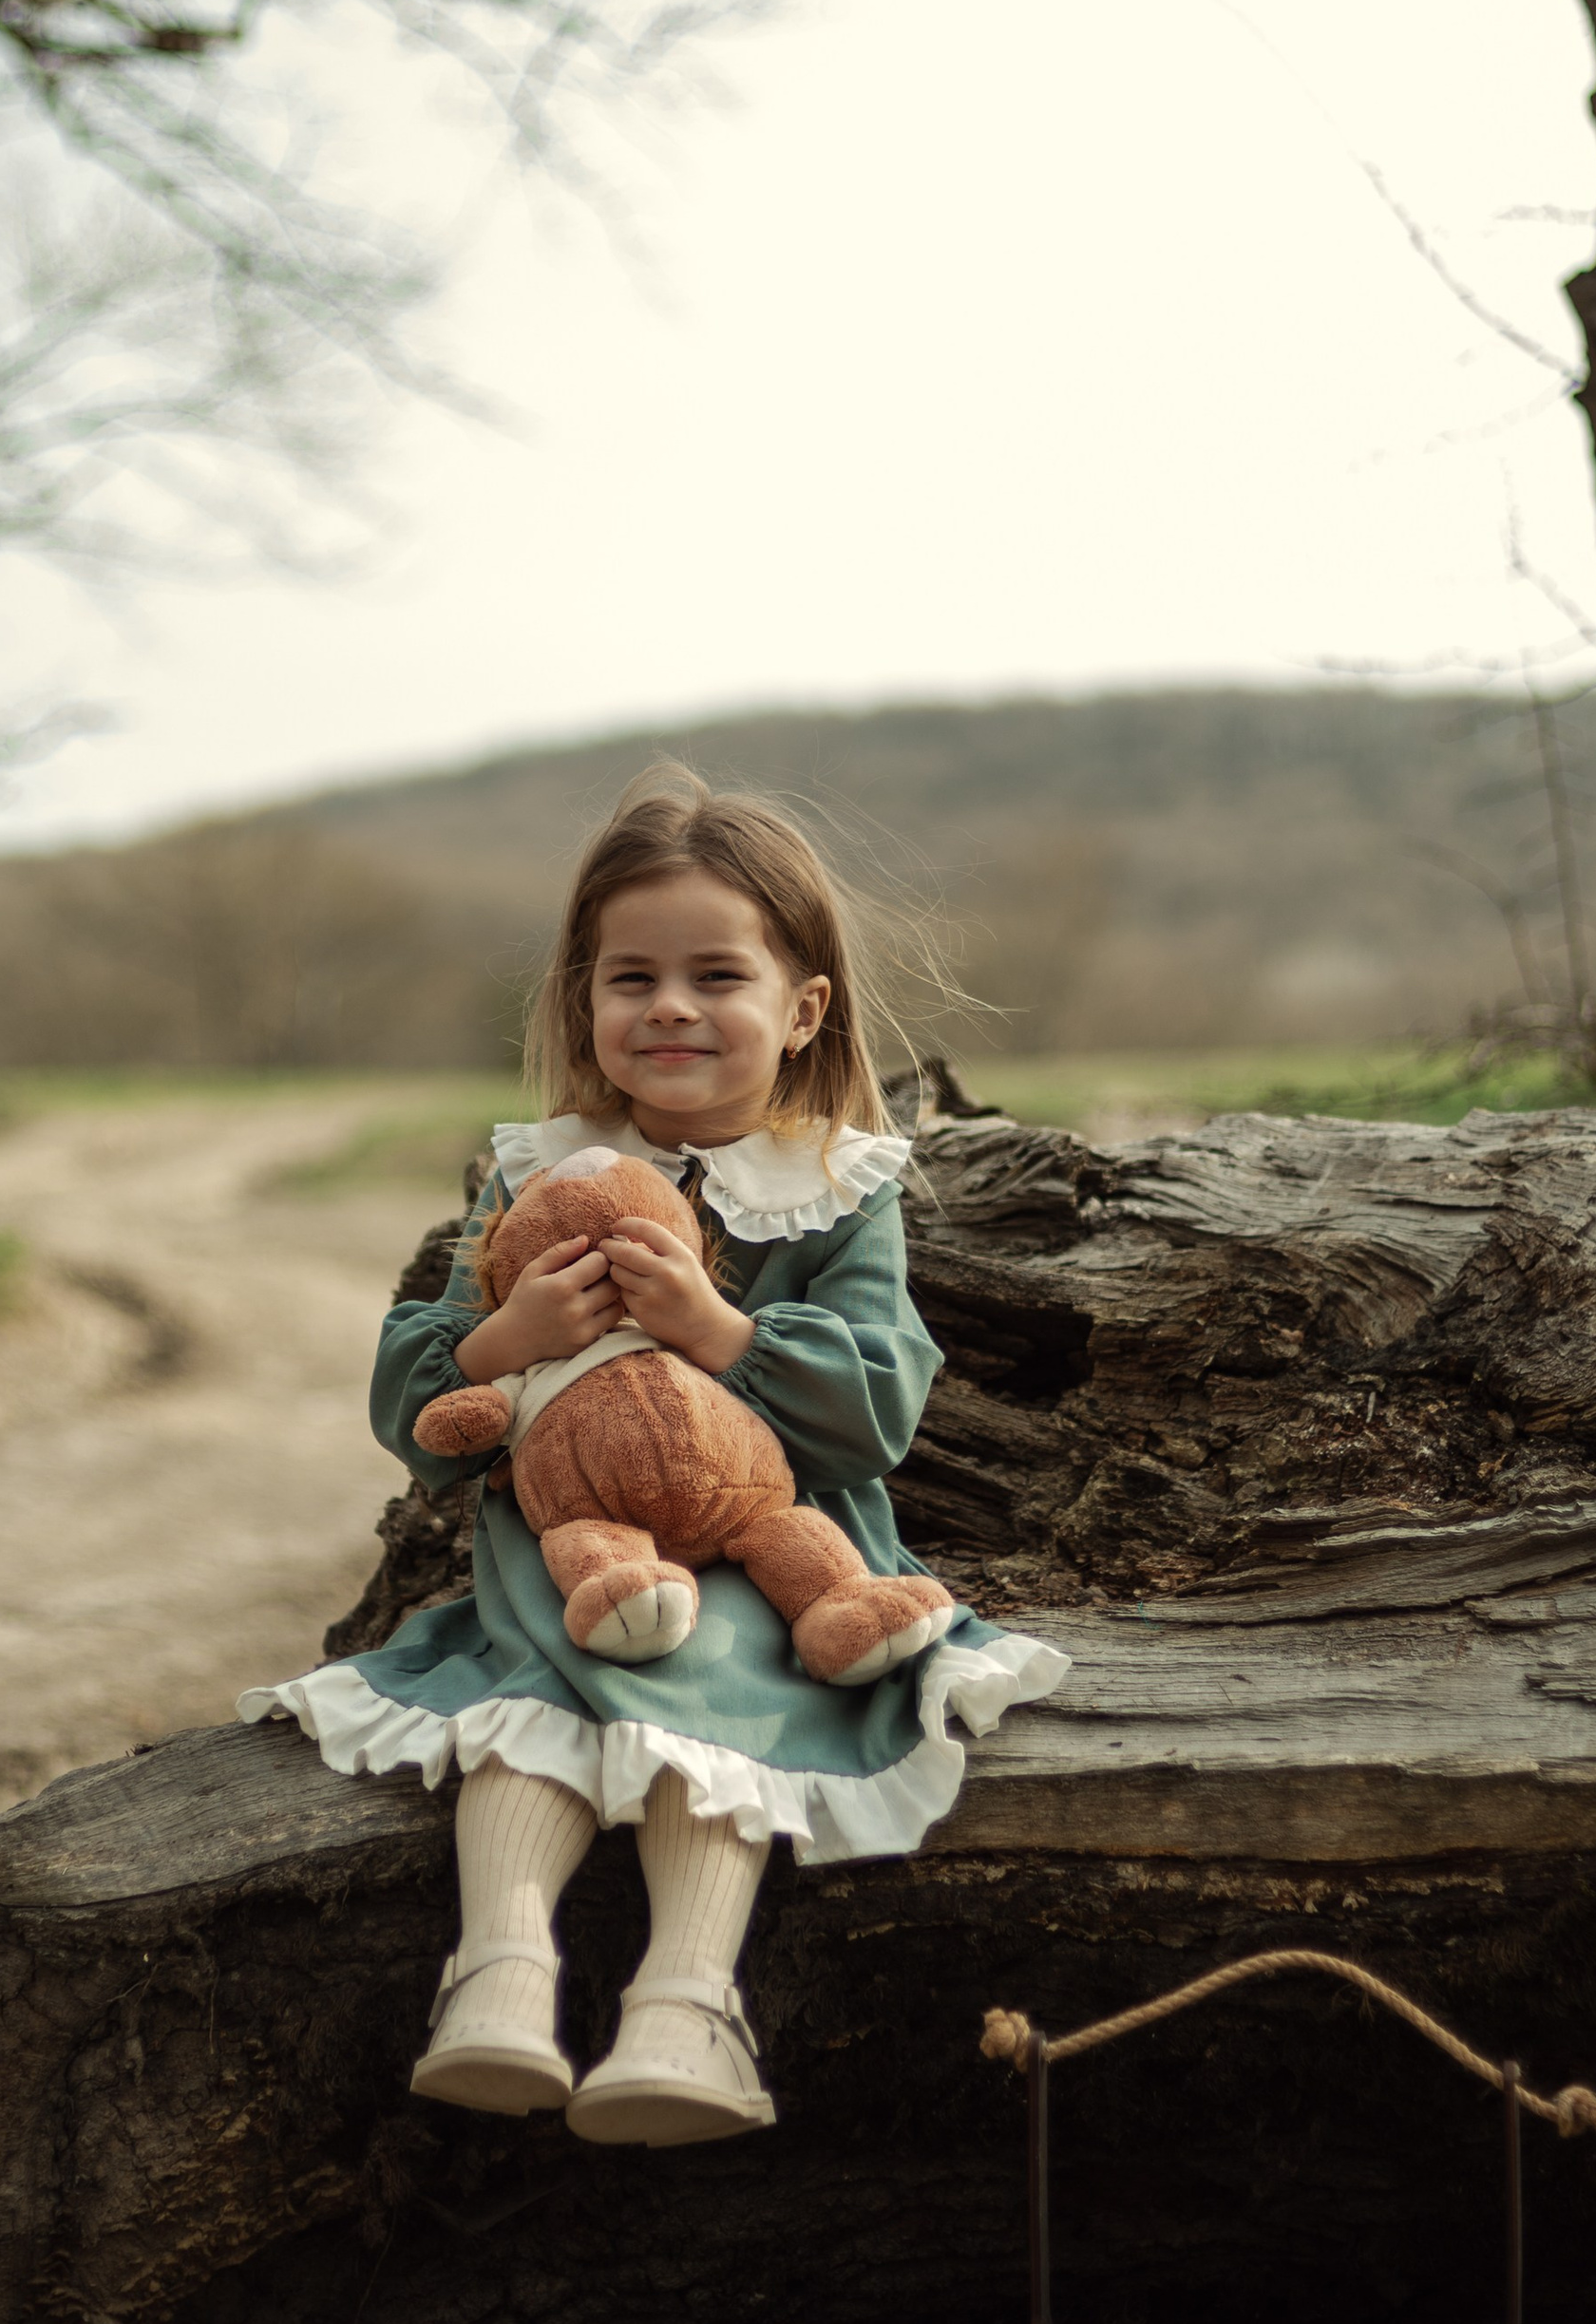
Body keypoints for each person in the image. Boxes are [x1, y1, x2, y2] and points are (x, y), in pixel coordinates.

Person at [239, 766, 1066, 2145]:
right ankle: (498, 1982)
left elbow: (880, 1408)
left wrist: (721, 1328)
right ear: (583, 1003)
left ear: (802, 1009)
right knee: (542, 1691)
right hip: (567, 1548)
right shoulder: (539, 1175)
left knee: (727, 1681)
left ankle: (686, 2005)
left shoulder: (838, 1189)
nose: (669, 1006)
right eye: (630, 977)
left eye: (714, 975)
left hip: (772, 1539)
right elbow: (417, 1403)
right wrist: (506, 1338)